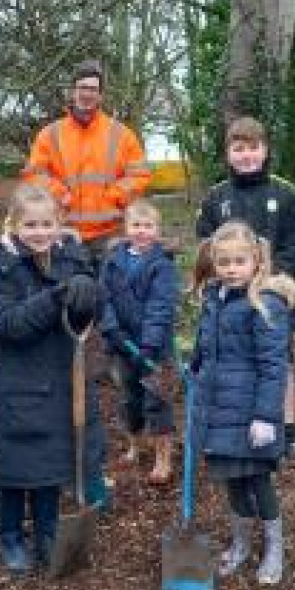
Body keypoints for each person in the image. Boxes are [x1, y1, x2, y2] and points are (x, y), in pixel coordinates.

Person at [0, 183, 106, 575]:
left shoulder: (71, 259)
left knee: (51, 465)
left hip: (62, 379)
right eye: (30, 224)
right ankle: (12, 536)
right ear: (14, 224)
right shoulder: (0, 266)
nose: (39, 232)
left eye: (46, 223)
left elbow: (84, 317)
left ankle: (49, 533)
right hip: (19, 385)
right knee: (17, 469)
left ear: (59, 223)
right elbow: (4, 324)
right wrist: (54, 299)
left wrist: (87, 297)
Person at [196, 116, 295, 463]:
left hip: (271, 293)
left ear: (265, 150)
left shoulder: (287, 193)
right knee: (231, 361)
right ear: (228, 154)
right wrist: (219, 278)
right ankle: (228, 426)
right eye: (238, 149)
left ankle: (287, 429)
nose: (247, 155)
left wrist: (277, 279)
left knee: (278, 361)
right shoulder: (216, 197)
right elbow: (204, 242)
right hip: (229, 294)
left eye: (253, 148)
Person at [191, 221, 295, 586]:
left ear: (256, 261)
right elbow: (209, 348)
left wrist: (267, 417)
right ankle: (240, 543)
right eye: (224, 262)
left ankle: (274, 547)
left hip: (252, 413)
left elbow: (273, 365)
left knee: (258, 481)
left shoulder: (264, 305)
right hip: (219, 410)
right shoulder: (214, 300)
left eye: (240, 261)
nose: (232, 269)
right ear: (214, 264)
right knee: (231, 482)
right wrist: (196, 365)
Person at [22, 59, 152, 268]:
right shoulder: (49, 135)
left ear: (100, 95)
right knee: (70, 293)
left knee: (110, 293)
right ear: (73, 91)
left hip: (110, 234)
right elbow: (34, 174)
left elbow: (140, 175)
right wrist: (59, 194)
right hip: (64, 233)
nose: (87, 93)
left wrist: (113, 195)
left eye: (93, 89)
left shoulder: (122, 134)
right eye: (82, 87)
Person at [99, 199, 180, 486]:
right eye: (136, 225)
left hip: (153, 349)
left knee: (157, 400)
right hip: (122, 344)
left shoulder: (162, 265)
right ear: (126, 228)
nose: (142, 231)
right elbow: (103, 298)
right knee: (129, 398)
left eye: (148, 226)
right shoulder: (112, 261)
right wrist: (111, 330)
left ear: (157, 230)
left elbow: (161, 307)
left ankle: (163, 457)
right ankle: (135, 444)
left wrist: (148, 344)